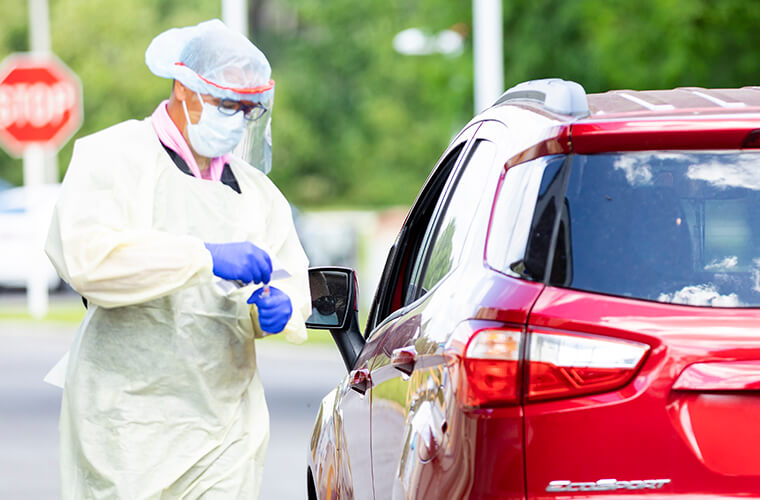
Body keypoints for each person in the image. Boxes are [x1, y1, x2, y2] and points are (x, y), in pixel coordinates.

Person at [44, 19, 310, 499]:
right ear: (184, 90)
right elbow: (88, 260)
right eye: (228, 104)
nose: (237, 120)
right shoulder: (114, 157)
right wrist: (202, 256)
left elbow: (291, 272)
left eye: (248, 109)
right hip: (129, 424)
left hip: (226, 423)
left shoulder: (255, 194)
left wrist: (282, 307)